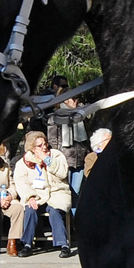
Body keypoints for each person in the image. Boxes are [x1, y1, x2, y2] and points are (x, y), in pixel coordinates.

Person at [12, 131, 73, 258]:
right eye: (39, 146)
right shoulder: (23, 163)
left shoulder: (56, 155)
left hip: (57, 193)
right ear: (32, 148)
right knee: (30, 210)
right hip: (37, 195)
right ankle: (27, 244)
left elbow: (63, 173)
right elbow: (21, 183)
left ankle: (63, 245)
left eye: (44, 144)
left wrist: (47, 160)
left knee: (55, 211)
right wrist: (30, 196)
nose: (44, 147)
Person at [46, 74, 90, 203]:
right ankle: (66, 222)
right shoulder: (55, 117)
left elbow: (87, 135)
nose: (76, 100)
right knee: (66, 194)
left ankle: (74, 222)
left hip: (80, 159)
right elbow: (52, 140)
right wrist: (57, 157)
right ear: (65, 100)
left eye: (77, 97)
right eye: (73, 98)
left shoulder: (81, 115)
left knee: (76, 194)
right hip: (64, 160)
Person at [0, 144, 24, 255]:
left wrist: (9, 196)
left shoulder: (5, 166)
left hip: (6, 198)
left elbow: (12, 184)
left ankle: (12, 241)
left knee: (18, 208)